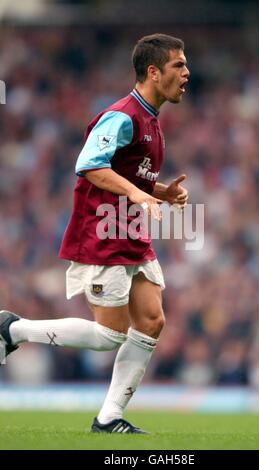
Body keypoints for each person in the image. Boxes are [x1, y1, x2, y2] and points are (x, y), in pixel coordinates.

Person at [0, 33, 189, 434]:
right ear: (153, 72)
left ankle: (109, 419)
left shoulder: (152, 122)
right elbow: (88, 165)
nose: (187, 73)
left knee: (152, 321)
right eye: (179, 65)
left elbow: (124, 173)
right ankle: (12, 329)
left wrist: (161, 192)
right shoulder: (121, 116)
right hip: (101, 234)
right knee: (108, 337)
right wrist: (140, 193)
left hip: (131, 232)